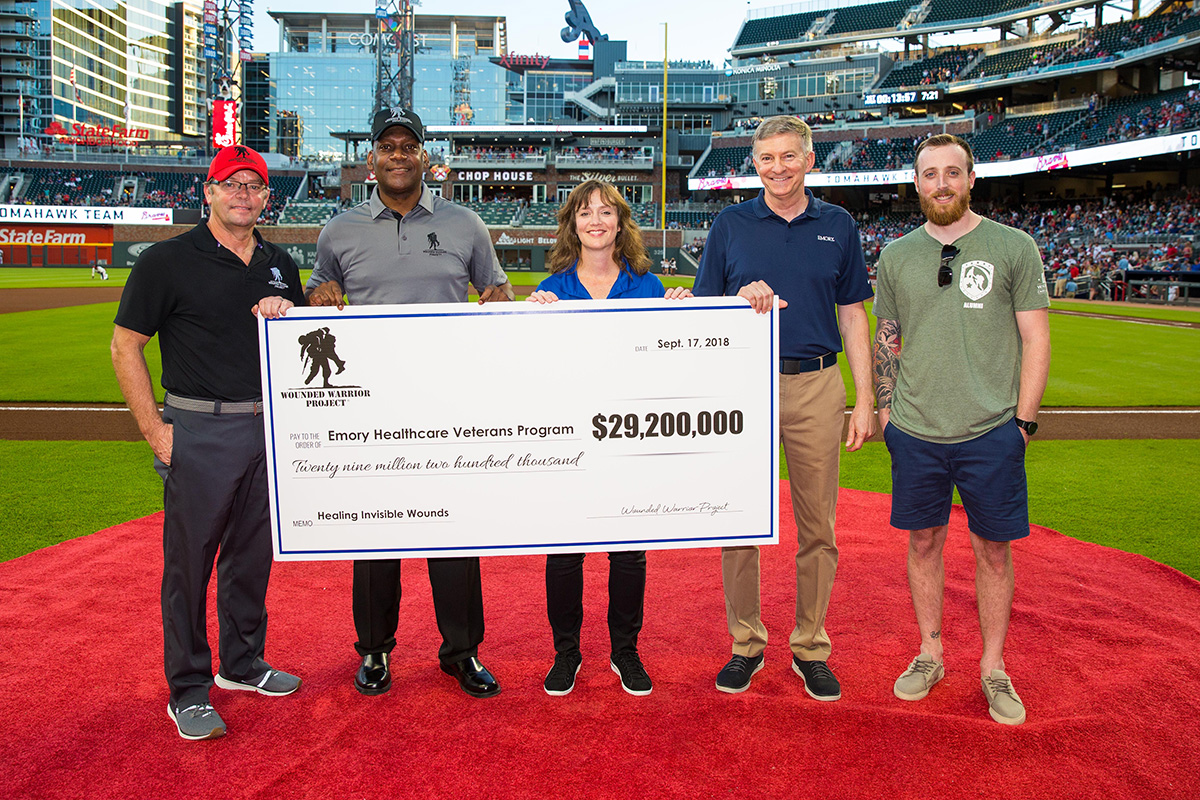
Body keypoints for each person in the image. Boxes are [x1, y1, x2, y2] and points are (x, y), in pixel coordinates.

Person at [306, 108, 514, 699]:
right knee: (375, 535)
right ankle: (374, 650)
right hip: (369, 408)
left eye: (409, 145)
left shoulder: (465, 223)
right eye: (387, 146)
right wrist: (319, 293)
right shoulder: (338, 230)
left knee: (455, 534)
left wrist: (516, 310)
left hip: (448, 402)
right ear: (371, 159)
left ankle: (462, 651)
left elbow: (495, 291)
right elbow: (320, 290)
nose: (398, 154)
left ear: (425, 157)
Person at [111, 145, 305, 741]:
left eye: (254, 185)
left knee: (250, 555)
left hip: (266, 426)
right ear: (209, 192)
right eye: (231, 184)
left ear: (266, 196)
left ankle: (242, 664)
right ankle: (188, 687)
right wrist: (157, 432)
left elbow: (301, 343)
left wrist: (287, 310)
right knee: (190, 564)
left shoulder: (279, 262)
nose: (243, 194)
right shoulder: (167, 261)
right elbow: (125, 346)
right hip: (199, 425)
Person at [694, 115, 875, 700]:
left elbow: (853, 315)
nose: (777, 168)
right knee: (740, 521)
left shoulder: (839, 224)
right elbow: (704, 313)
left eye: (788, 157)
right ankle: (745, 644)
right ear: (754, 164)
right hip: (744, 385)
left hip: (818, 383)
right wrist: (736, 298)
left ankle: (810, 646)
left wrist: (866, 397)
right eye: (766, 158)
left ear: (810, 159)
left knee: (818, 525)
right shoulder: (730, 223)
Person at [872, 134, 1051, 726]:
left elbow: (1036, 339)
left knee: (992, 552)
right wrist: (885, 410)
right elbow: (887, 339)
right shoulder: (896, 256)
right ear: (916, 182)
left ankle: (994, 667)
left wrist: (1022, 424)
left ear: (971, 179)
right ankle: (930, 653)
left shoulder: (1014, 246)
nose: (941, 183)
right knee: (922, 543)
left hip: (991, 429)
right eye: (929, 174)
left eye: (953, 172)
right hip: (916, 431)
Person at [525, 180, 692, 697]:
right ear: (571, 224)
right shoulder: (553, 289)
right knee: (564, 551)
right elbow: (531, 372)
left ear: (621, 222)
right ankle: (566, 653)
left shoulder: (647, 284)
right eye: (584, 213)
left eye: (605, 212)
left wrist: (684, 312)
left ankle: (625, 651)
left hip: (627, 440)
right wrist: (528, 320)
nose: (595, 221)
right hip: (569, 441)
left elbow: (676, 364)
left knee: (629, 554)